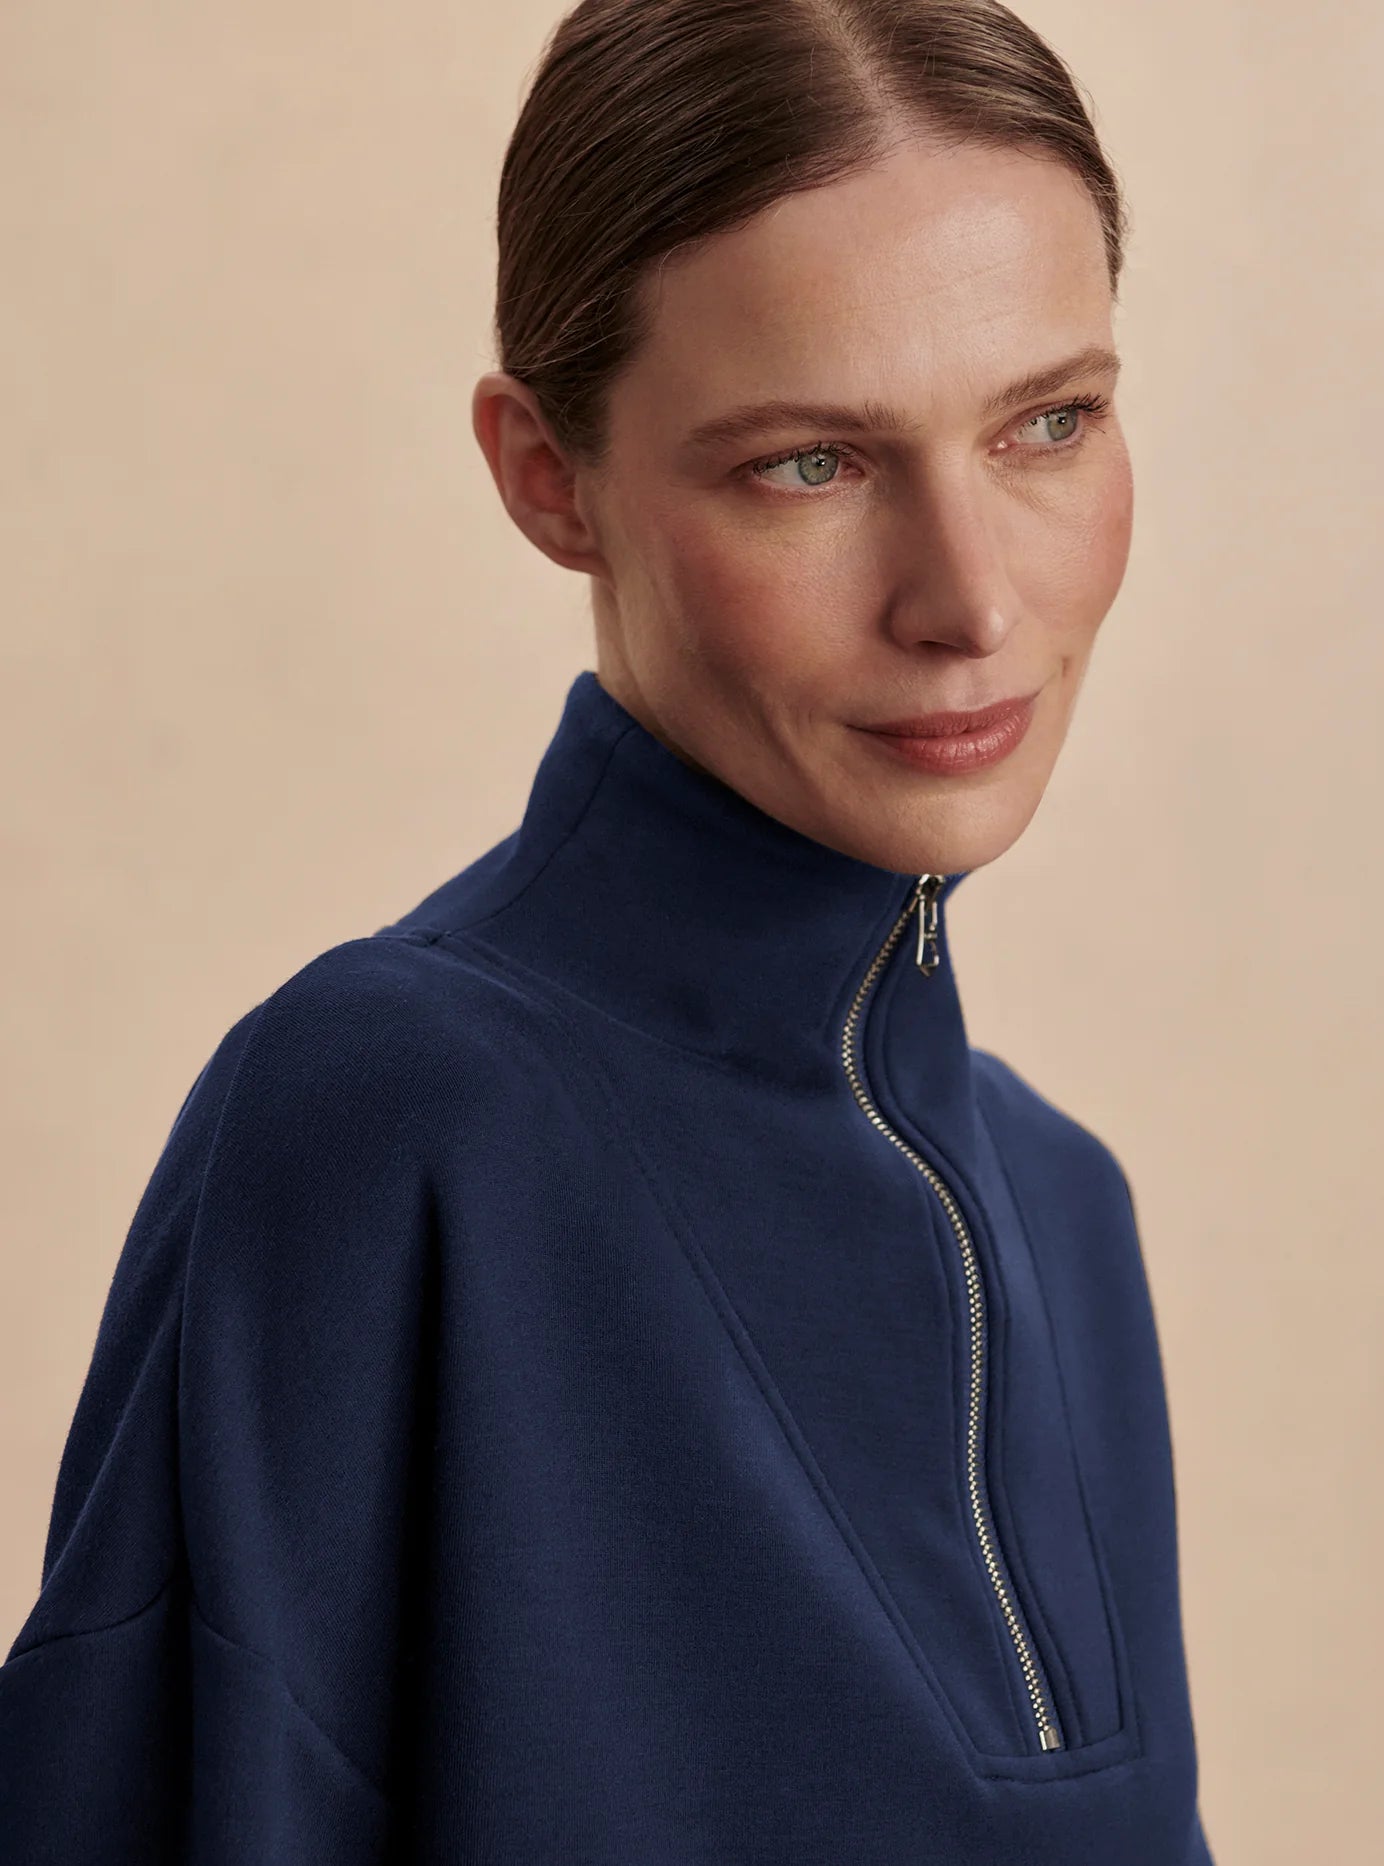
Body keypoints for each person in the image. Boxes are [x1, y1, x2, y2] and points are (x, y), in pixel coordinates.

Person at [0, 2, 1215, 1860]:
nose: (971, 601)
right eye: (811, 462)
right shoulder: (393, 1120)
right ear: (547, 475)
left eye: (1047, 422)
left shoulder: (1066, 1211)